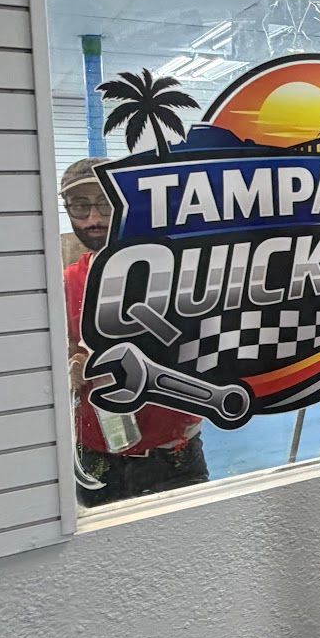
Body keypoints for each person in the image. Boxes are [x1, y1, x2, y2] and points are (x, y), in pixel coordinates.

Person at [59, 159, 208, 506]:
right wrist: (69, 366)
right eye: (81, 206)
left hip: (173, 456)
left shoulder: (180, 273)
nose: (93, 219)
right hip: (96, 459)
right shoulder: (64, 286)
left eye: (105, 204)